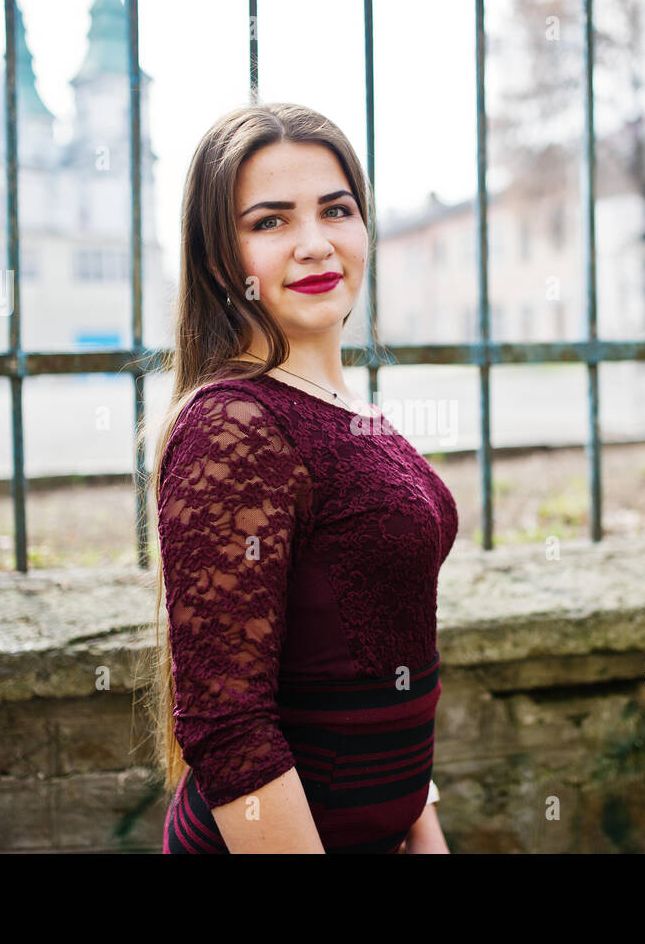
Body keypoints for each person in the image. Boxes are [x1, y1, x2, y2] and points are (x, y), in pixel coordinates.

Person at [143, 102, 457, 853]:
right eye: (271, 221)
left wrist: (424, 828)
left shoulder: (346, 409)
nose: (316, 245)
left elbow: (386, 652)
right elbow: (228, 730)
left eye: (336, 210)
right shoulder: (235, 426)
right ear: (220, 257)